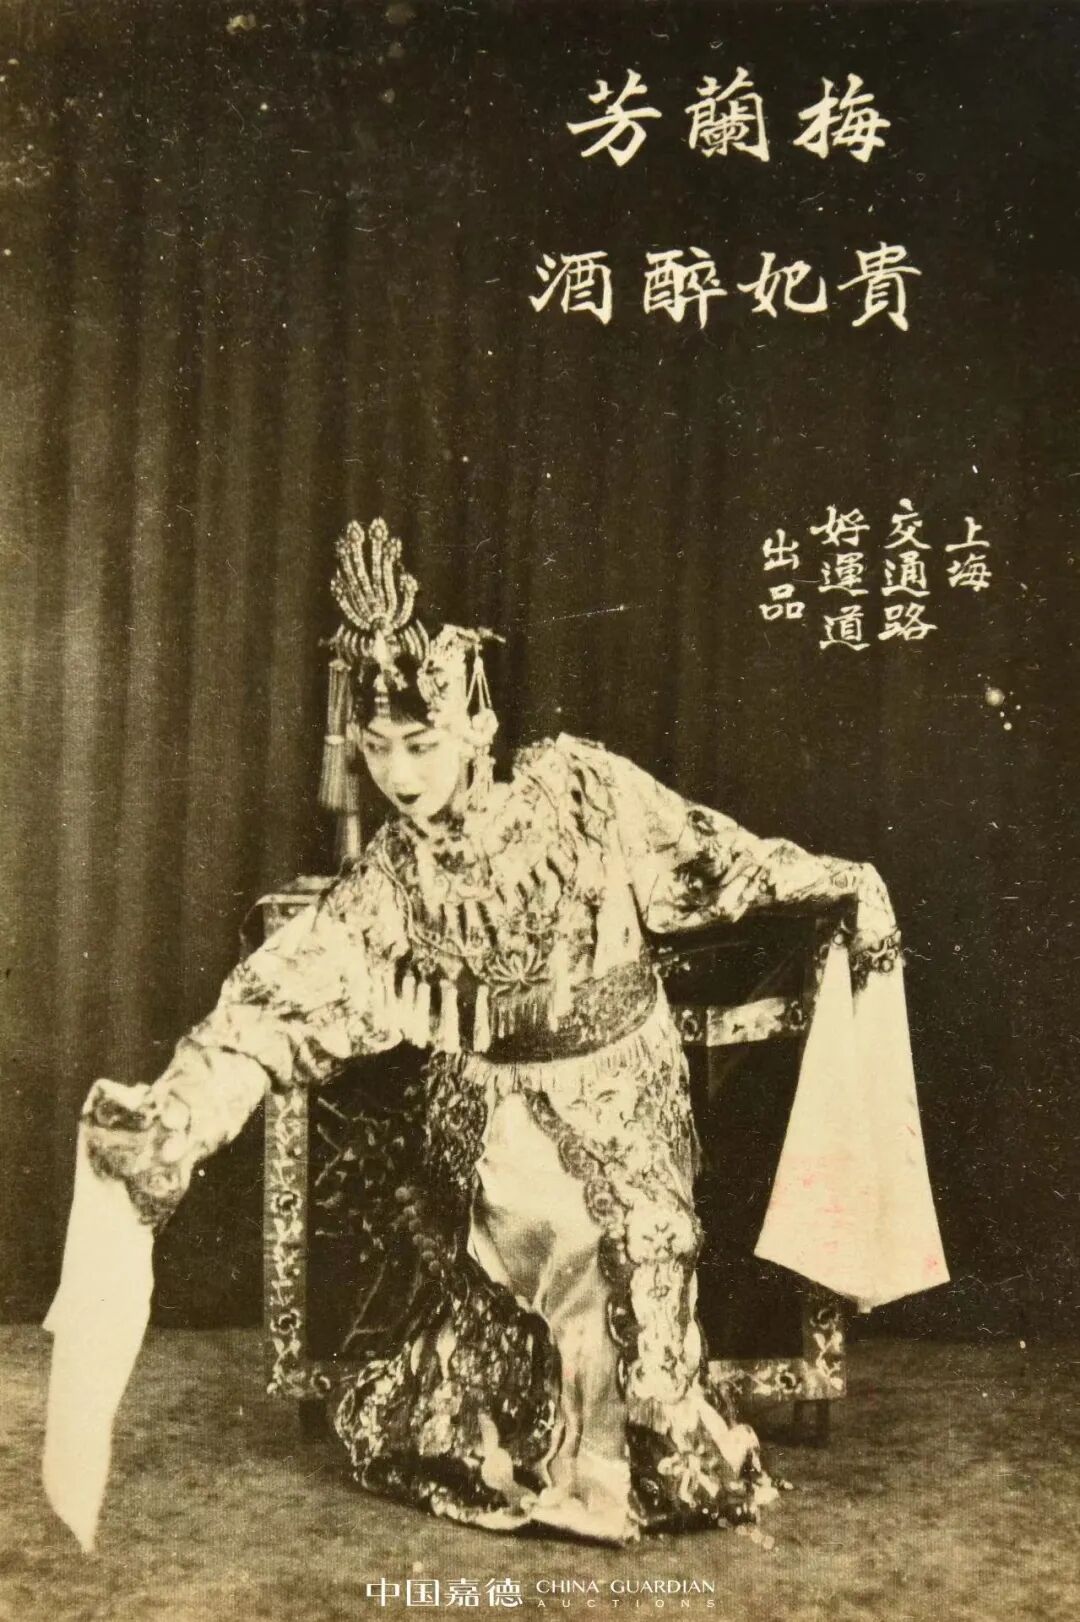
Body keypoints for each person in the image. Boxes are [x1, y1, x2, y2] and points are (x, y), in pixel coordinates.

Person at [63, 518, 947, 1548]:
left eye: (421, 744)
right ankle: (564, 1451)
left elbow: (713, 857)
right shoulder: (394, 879)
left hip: (626, 1095)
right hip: (495, 1125)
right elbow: (276, 997)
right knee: (548, 1262)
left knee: (640, 1276)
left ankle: (620, 1441)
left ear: (477, 726)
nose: (398, 774)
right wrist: (174, 1117)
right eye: (377, 748)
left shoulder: (580, 787)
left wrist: (834, 878)